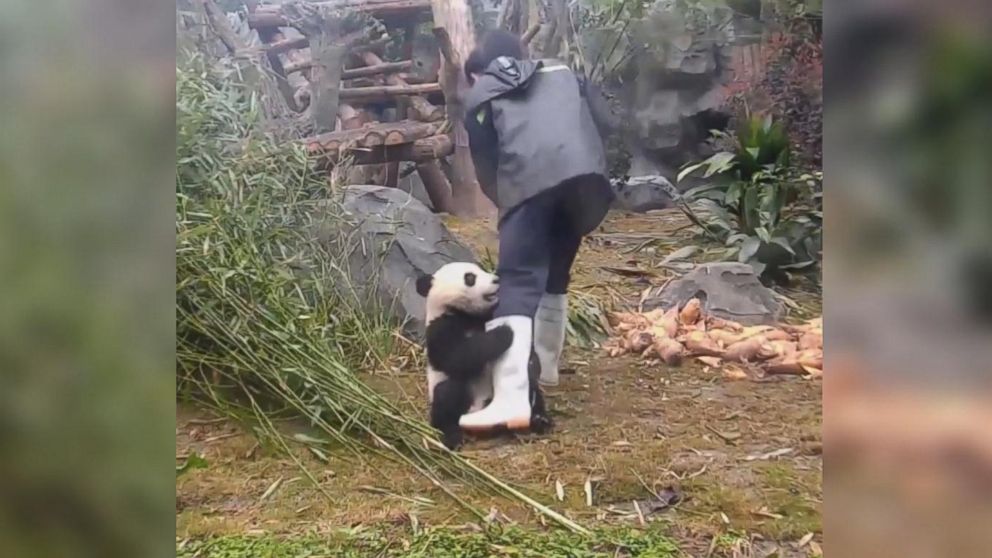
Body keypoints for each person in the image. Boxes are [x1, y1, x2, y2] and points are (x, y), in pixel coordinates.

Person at [458, 29, 615, 433]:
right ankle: (545, 369)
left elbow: (487, 165)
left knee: (518, 280)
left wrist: (506, 203)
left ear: (477, 71)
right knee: (555, 274)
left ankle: (510, 400)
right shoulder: (562, 72)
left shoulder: (481, 93)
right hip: (585, 179)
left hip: (528, 178)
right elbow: (605, 121)